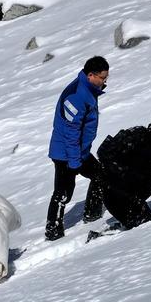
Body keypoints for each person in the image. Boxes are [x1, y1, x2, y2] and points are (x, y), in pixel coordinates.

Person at [45, 56, 109, 241]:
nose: (105, 82)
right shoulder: (76, 96)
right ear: (91, 75)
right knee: (63, 192)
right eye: (102, 78)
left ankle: (92, 214)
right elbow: (70, 133)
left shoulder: (88, 90)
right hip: (66, 153)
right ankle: (53, 231)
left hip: (78, 151)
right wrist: (74, 162)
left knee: (99, 175)